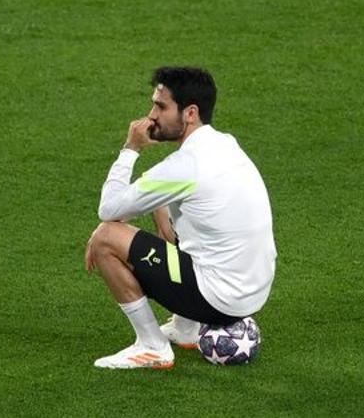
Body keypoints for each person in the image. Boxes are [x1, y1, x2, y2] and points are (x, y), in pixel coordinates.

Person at [85, 66, 276, 369]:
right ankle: (186, 328)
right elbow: (164, 196)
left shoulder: (184, 167)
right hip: (253, 291)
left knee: (106, 237)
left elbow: (109, 209)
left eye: (161, 107)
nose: (151, 116)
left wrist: (131, 148)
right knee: (162, 204)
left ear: (190, 113)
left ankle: (151, 346)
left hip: (218, 300)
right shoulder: (224, 143)